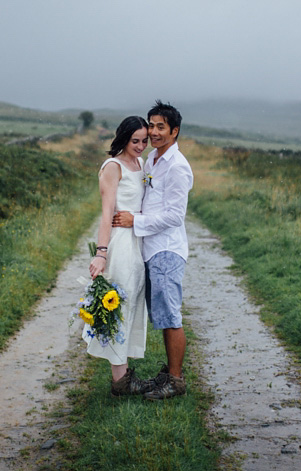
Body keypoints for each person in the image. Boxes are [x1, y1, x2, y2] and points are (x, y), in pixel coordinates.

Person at [113, 100, 193, 400]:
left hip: (167, 250)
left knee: (170, 315)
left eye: (161, 126)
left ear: (175, 131)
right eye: (152, 125)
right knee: (161, 314)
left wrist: (136, 220)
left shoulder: (177, 167)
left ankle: (175, 380)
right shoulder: (153, 161)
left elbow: (175, 216)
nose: (154, 131)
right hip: (150, 249)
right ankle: (168, 374)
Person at [85, 115, 153, 396]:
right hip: (121, 244)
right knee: (119, 306)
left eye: (144, 141)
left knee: (133, 304)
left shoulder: (140, 164)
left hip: (138, 240)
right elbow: (106, 213)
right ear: (123, 138)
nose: (139, 146)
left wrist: (138, 219)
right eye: (134, 140)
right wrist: (101, 254)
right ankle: (120, 381)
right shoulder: (112, 167)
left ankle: (124, 374)